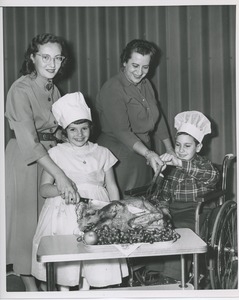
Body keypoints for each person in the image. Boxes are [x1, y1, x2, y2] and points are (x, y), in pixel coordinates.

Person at [31, 92, 129, 291]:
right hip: (63, 214)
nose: (79, 134)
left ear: (90, 128)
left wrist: (116, 209)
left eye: (84, 128)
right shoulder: (56, 154)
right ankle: (63, 290)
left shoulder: (102, 153)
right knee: (67, 261)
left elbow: (111, 185)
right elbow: (44, 189)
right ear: (64, 132)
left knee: (94, 261)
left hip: (97, 211)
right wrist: (62, 191)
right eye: (73, 129)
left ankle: (86, 290)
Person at [5, 33, 79, 291]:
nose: (52, 64)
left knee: (46, 221)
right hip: (27, 160)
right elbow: (29, 141)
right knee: (27, 223)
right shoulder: (20, 89)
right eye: (45, 57)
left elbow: (54, 130)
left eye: (57, 58)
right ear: (32, 58)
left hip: (51, 156)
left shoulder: (53, 88)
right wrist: (60, 174)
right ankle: (29, 286)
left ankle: (43, 276)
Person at [145, 110, 220, 281]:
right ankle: (154, 272)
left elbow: (212, 177)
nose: (181, 150)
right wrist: (160, 173)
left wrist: (181, 163)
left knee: (179, 231)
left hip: (197, 211)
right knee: (155, 225)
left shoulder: (203, 164)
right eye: (177, 145)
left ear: (198, 147)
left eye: (187, 146)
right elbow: (160, 195)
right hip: (172, 209)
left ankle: (173, 277)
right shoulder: (171, 167)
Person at [96, 39, 174, 197]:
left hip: (141, 154)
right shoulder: (113, 88)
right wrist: (149, 154)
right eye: (135, 65)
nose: (139, 72)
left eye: (145, 67)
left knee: (139, 206)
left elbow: (157, 118)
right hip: (117, 156)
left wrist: (170, 149)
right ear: (125, 62)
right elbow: (122, 131)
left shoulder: (146, 84)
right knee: (121, 208)